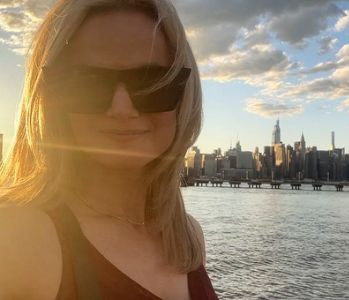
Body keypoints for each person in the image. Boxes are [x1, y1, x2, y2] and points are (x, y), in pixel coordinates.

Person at [0, 0, 218, 299]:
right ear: (52, 97)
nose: (121, 108)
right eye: (88, 83)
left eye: (150, 82)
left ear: (184, 95)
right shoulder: (17, 237)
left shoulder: (187, 237)